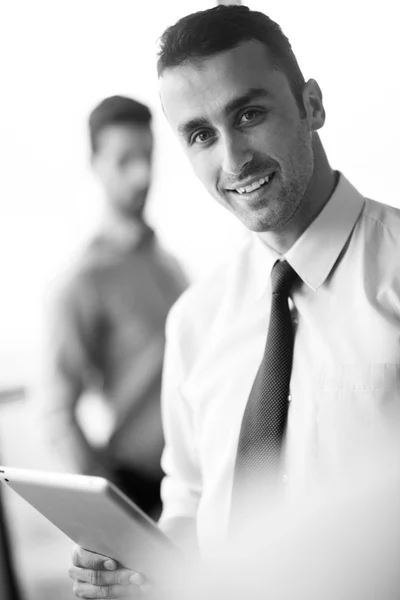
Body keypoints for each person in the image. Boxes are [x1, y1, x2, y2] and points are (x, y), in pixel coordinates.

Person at [68, 5, 400, 598]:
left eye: (248, 114)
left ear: (312, 105)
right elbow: (190, 502)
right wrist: (144, 571)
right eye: (200, 135)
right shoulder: (195, 321)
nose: (232, 160)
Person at [43, 95, 187, 520]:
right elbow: (57, 412)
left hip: (200, 481)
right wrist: (116, 514)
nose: (142, 175)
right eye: (125, 160)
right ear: (94, 163)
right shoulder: (82, 281)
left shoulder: (170, 263)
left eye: (147, 157)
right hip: (144, 493)